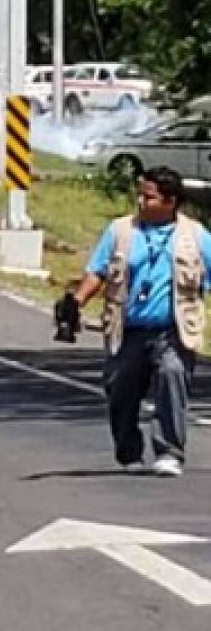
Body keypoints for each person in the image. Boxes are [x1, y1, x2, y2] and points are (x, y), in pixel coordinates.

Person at [60, 166, 211, 477]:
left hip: (173, 330)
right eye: (139, 195)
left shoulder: (196, 236)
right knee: (120, 388)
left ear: (170, 201)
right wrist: (76, 301)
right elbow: (97, 272)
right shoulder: (121, 231)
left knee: (171, 374)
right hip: (127, 329)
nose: (141, 202)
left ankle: (169, 451)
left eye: (149, 197)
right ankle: (129, 451)